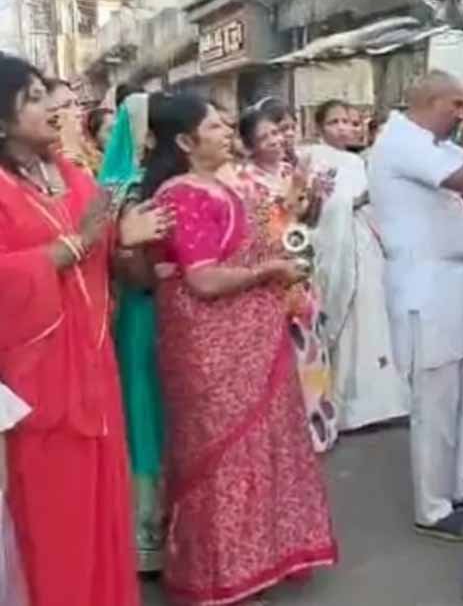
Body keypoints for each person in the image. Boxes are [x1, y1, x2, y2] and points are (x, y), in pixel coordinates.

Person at [143, 93, 337, 605]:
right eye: (215, 127)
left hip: (253, 337)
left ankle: (254, 564)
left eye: (227, 125)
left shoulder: (224, 184)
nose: (227, 133)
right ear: (185, 142)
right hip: (210, 347)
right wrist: (269, 271)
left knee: (259, 448)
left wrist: (290, 220)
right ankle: (219, 577)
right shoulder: (181, 194)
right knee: (222, 457)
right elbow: (204, 280)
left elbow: (256, 241)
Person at [0, 55, 171, 606]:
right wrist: (78, 242)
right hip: (35, 384)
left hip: (94, 367)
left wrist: (125, 239)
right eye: (33, 99)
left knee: (102, 511)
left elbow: (105, 248)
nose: (53, 108)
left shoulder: (71, 174)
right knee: (53, 526)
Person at [369, 71, 463, 541]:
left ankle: (454, 488)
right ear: (433, 102)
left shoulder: (433, 145)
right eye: (457, 105)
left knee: (456, 395)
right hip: (424, 284)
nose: (462, 114)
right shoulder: (401, 142)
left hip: (451, 281)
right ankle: (433, 507)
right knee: (434, 400)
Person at [301, 99, 409, 431]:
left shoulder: (358, 161)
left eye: (350, 122)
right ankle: (348, 406)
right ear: (319, 128)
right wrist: (355, 200)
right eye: (335, 122)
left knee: (375, 319)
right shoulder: (313, 159)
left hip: (365, 245)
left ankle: (383, 403)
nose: (344, 128)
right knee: (351, 322)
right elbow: (318, 211)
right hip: (339, 247)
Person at [237, 104, 339, 453]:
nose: (276, 141)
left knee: (312, 348)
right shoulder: (245, 182)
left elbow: (308, 221)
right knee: (286, 354)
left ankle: (319, 425)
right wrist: (292, 197)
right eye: (265, 137)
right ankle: (292, 436)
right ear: (248, 146)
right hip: (274, 275)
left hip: (302, 268)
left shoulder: (289, 170)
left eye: (277, 133)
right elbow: (264, 229)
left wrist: (316, 196)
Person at [98, 92, 170, 573]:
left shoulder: (123, 185)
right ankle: (149, 534)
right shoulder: (131, 190)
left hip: (149, 312)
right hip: (144, 314)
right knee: (146, 411)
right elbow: (127, 263)